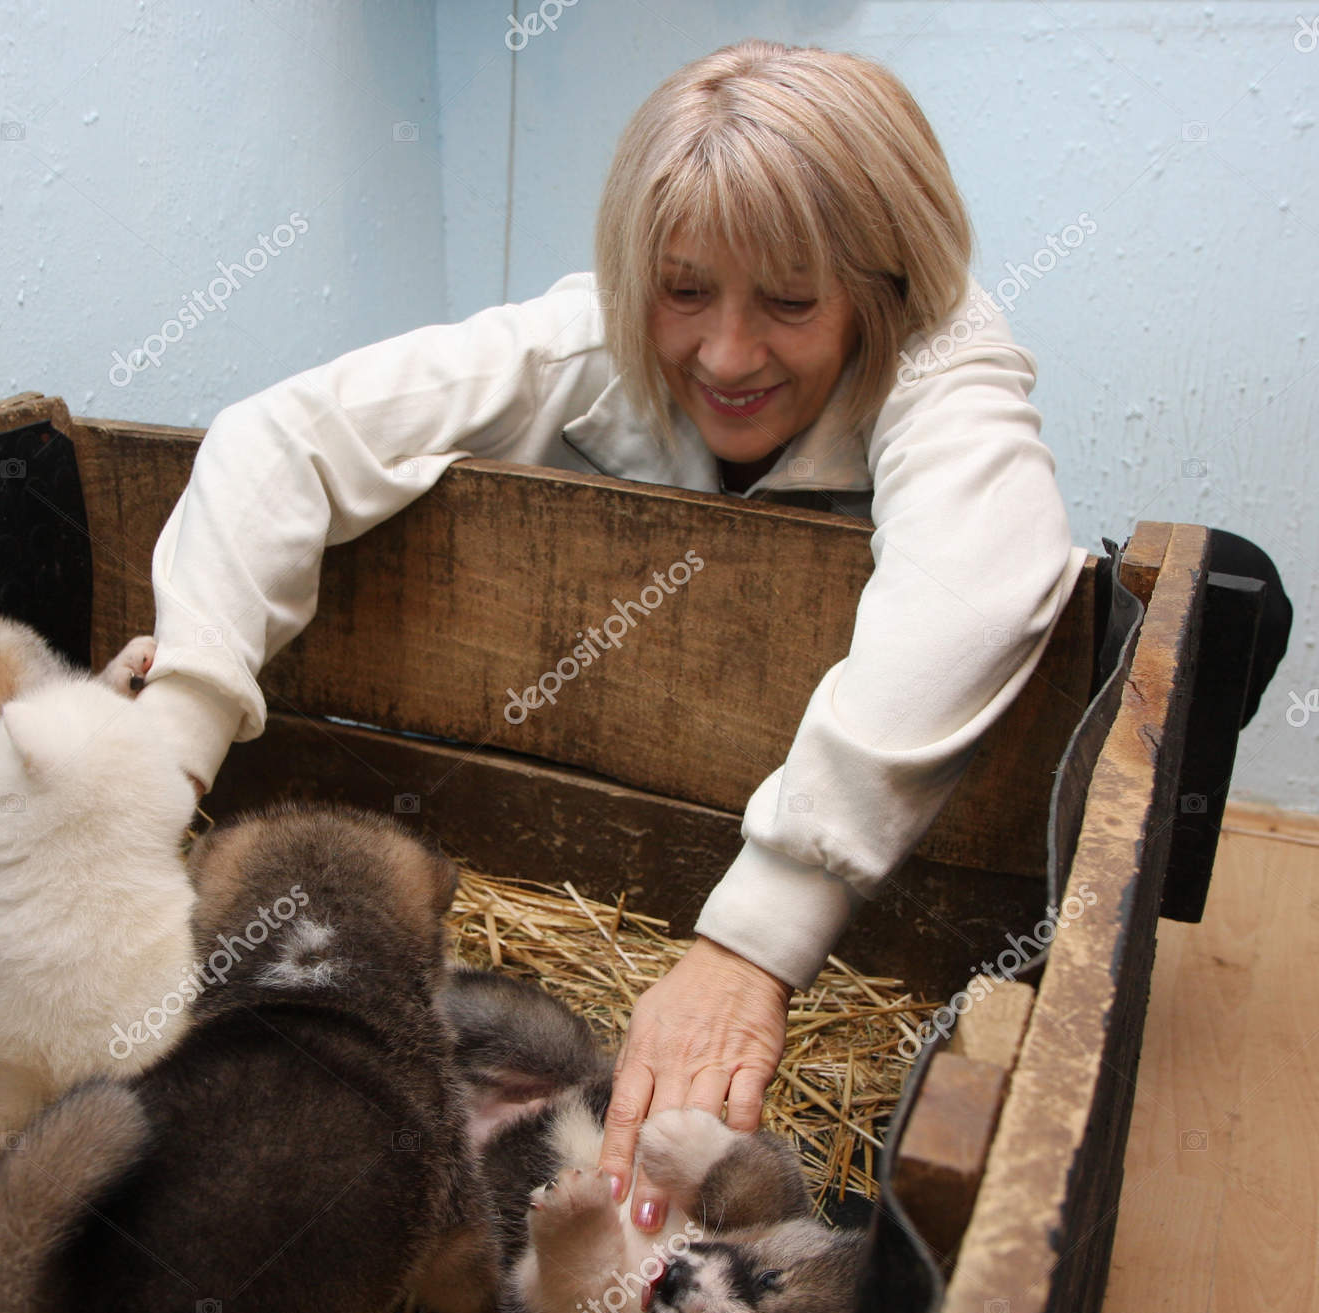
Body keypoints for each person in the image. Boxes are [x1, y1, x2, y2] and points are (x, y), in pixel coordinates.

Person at [134, 40, 1088, 1232]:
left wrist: (751, 944)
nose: (725, 353)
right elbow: (284, 438)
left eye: (790, 301)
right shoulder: (588, 339)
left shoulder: (941, 355)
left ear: (884, 287)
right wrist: (165, 749)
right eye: (683, 291)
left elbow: (974, 594)